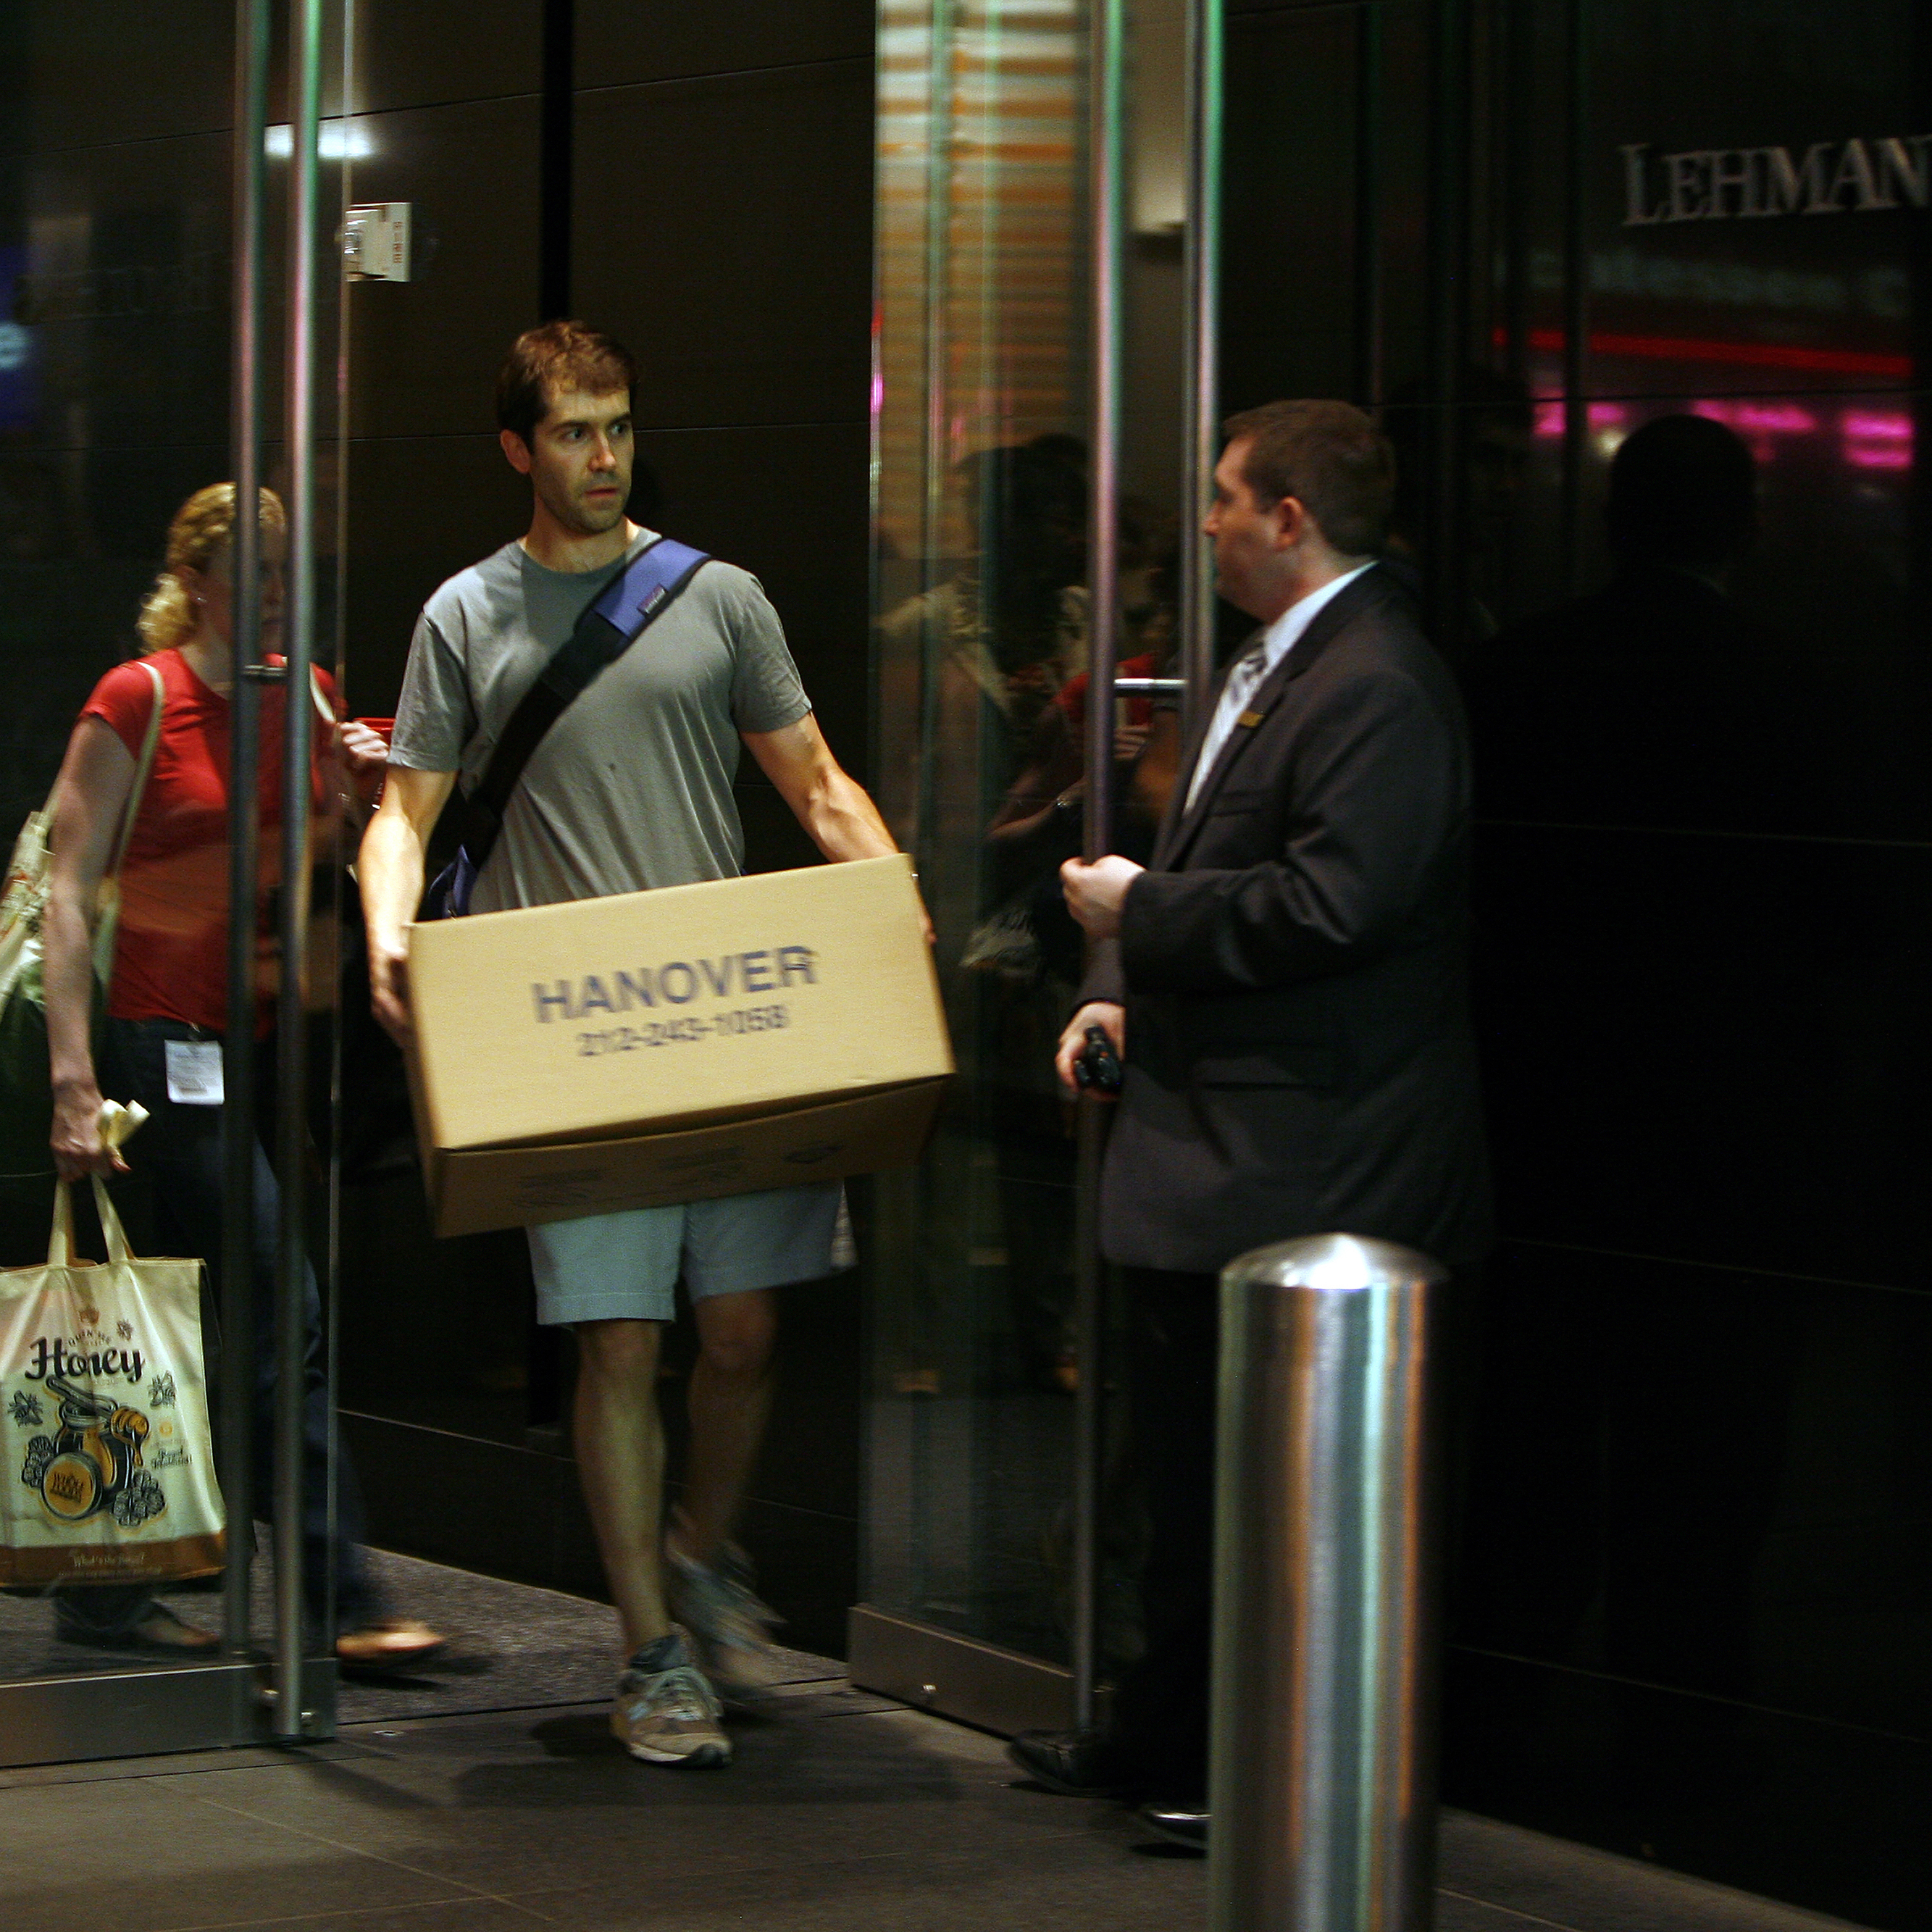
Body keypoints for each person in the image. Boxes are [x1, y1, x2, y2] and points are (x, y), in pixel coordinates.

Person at [358, 320, 915, 1770]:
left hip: (727, 1021)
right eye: (569, 432)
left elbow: (815, 777)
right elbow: (402, 815)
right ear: (514, 447)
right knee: (618, 1340)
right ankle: (649, 1647)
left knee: (743, 1327)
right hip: (574, 1033)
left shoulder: (717, 598)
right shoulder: (465, 616)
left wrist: (889, 893)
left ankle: (695, 1548)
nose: (600, 455)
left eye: (614, 427)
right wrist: (384, 930)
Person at [1009, 400, 1491, 1845]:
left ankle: (1236, 1772)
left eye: (1225, 496)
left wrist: (1134, 916)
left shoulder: (1378, 683)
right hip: (1221, 1145)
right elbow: (1201, 859)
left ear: (1291, 517)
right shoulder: (1280, 663)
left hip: (1307, 1165)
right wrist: (1118, 984)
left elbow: (1331, 906)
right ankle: (1162, 1735)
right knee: (1185, 1475)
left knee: (1261, 1496)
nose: (1203, 518)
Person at [43, 481, 445, 1667]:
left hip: (260, 1049)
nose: (277, 589)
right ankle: (339, 1592)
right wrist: (73, 1079)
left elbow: (332, 851)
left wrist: (362, 787)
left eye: (287, 567)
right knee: (278, 1302)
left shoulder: (304, 697)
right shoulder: (142, 698)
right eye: (257, 568)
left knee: (169, 1318)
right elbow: (69, 892)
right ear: (199, 579)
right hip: (155, 1045)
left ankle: (110, 1592)